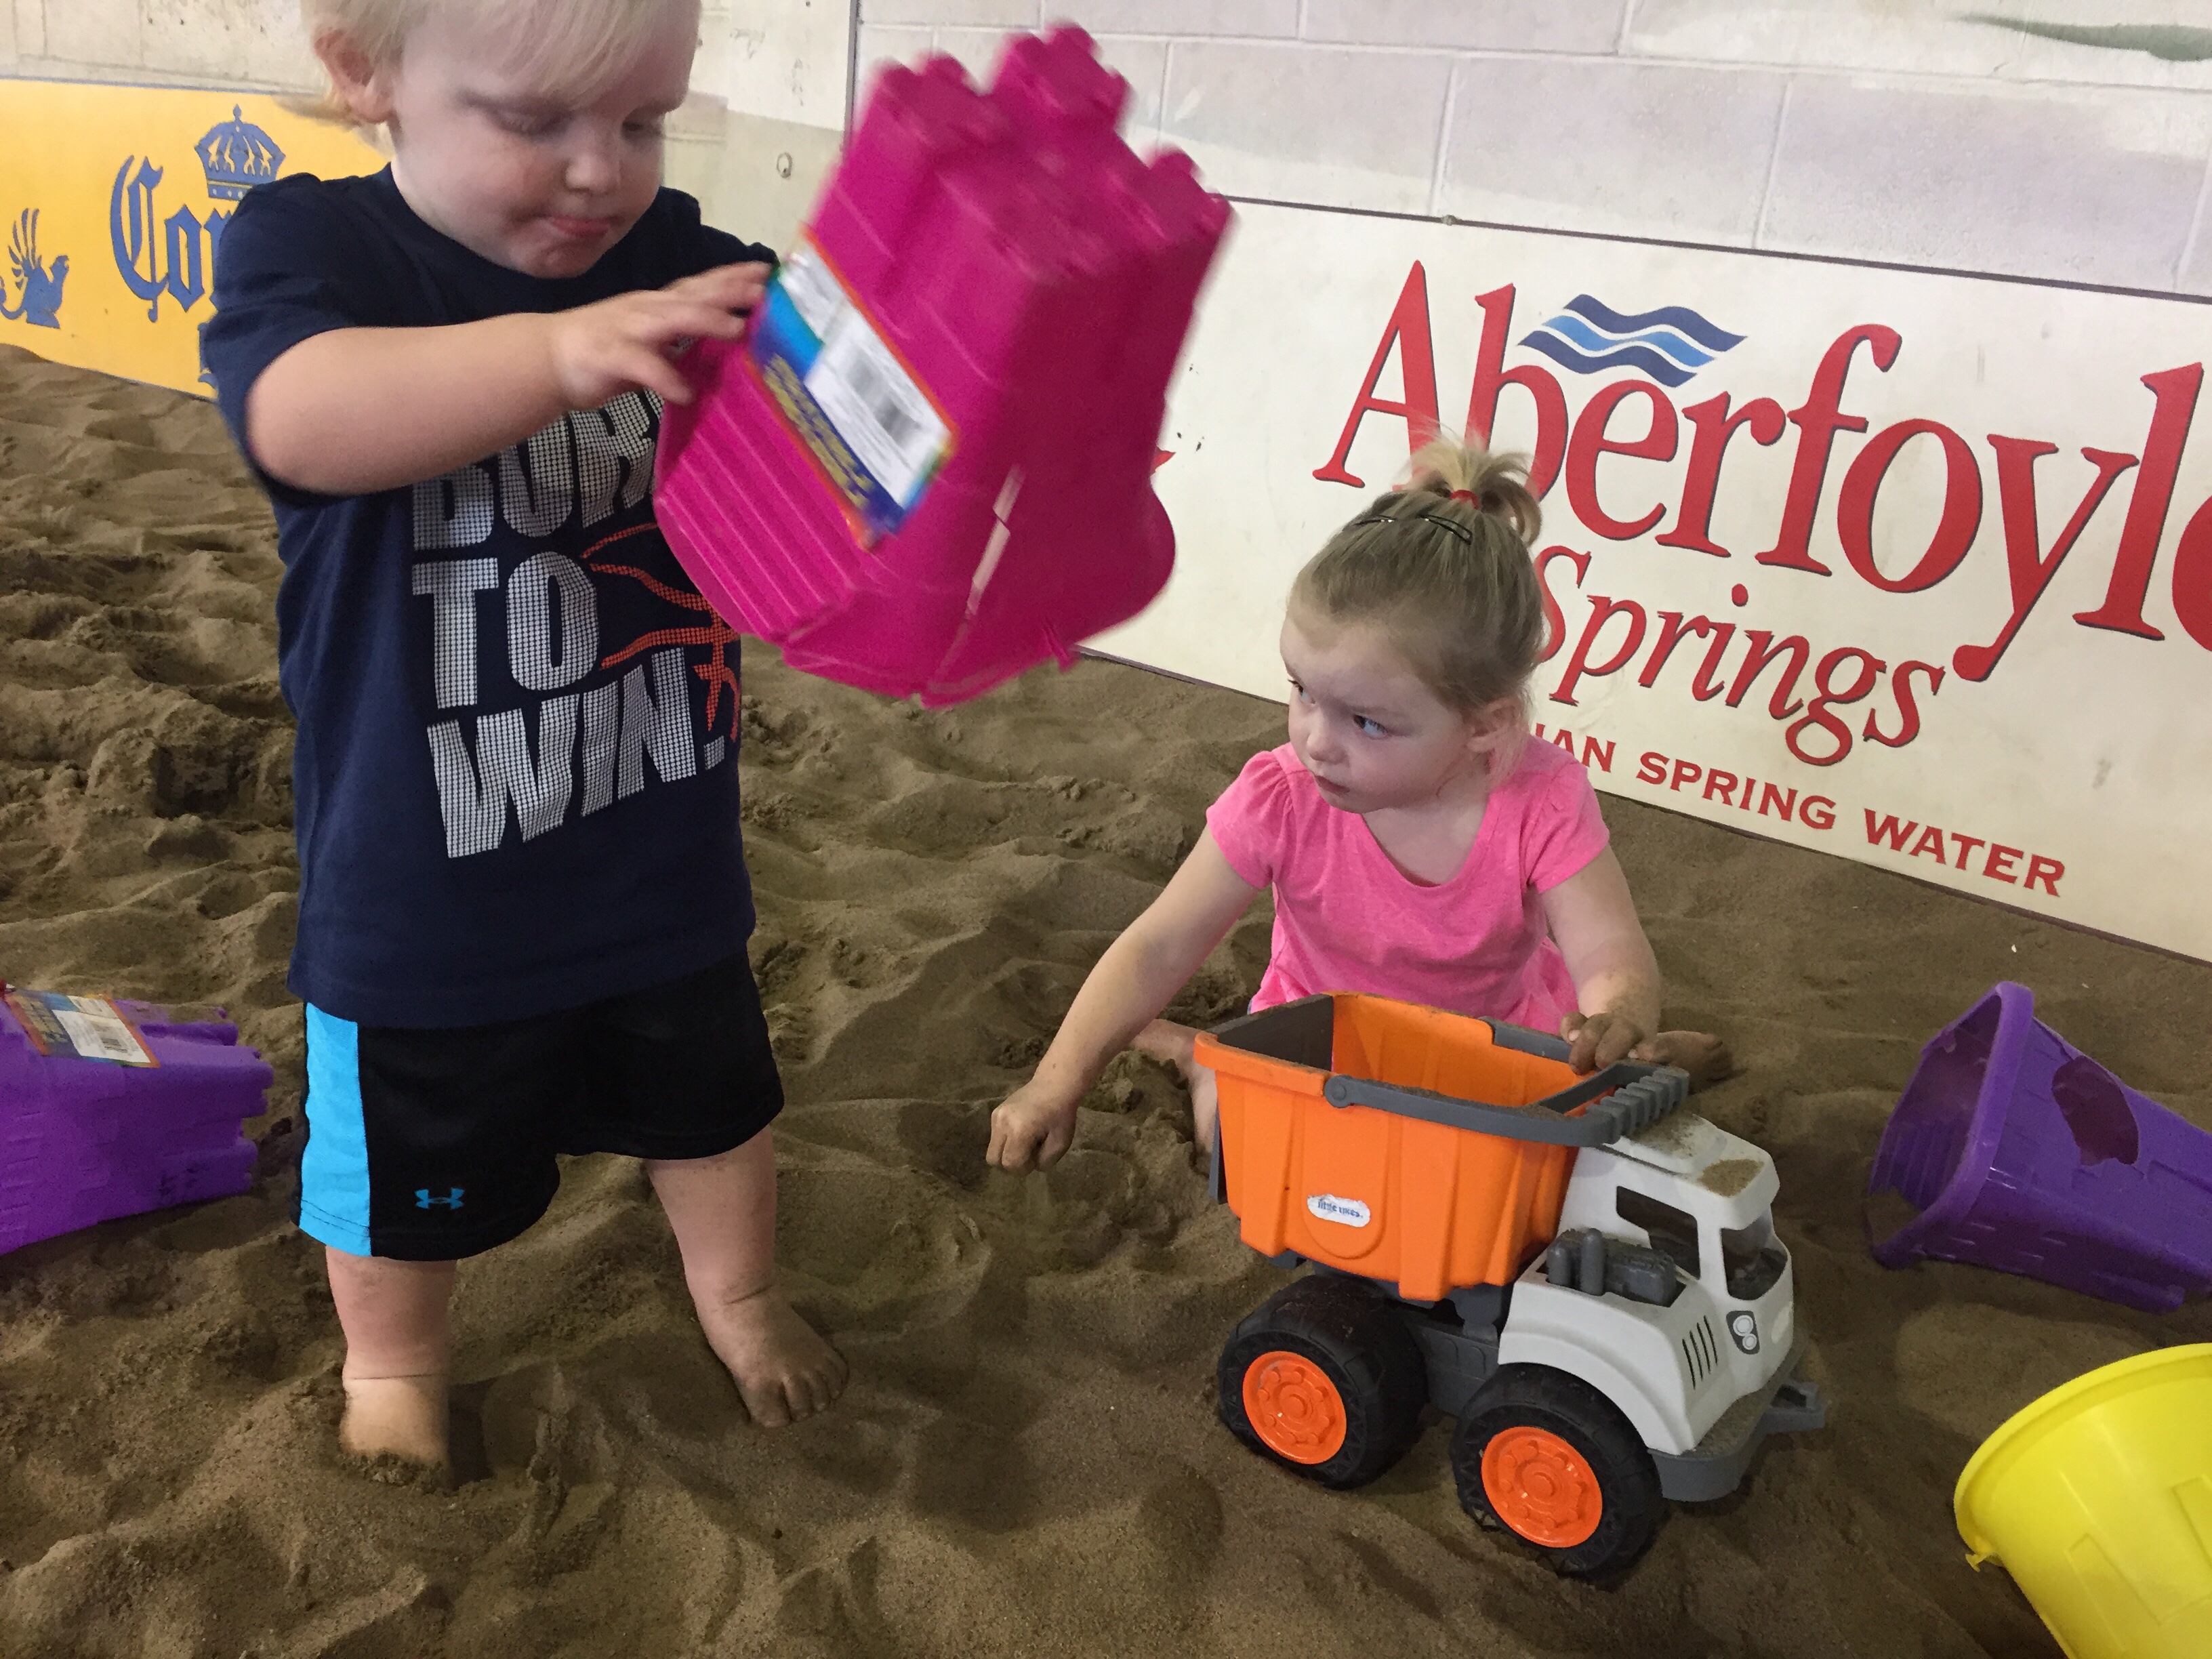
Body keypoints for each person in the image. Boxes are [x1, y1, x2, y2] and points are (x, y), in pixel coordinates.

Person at [203, 0, 847, 1468]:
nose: (600, 168)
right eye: (535, 120)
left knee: (713, 1107)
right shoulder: (320, 252)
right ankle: (394, 1367)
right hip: (422, 875)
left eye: (642, 121)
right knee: (400, 1171)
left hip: (654, 832)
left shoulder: (677, 262)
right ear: (366, 73)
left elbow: (810, 481)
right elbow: (300, 420)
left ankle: (738, 1294)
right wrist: (559, 355)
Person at [987, 436, 1729, 1174]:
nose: (1317, 742)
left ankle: (1655, 1060)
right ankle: (1201, 1059)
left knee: (1565, 1142)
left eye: (1366, 722)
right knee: (1240, 1151)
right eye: (1302, 692)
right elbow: (1160, 943)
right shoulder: (1279, 796)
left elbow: (1606, 949)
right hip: (1319, 1041)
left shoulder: (1542, 798)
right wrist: (1056, 1084)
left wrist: (1618, 1014)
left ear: (1484, 725)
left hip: (1492, 1044)